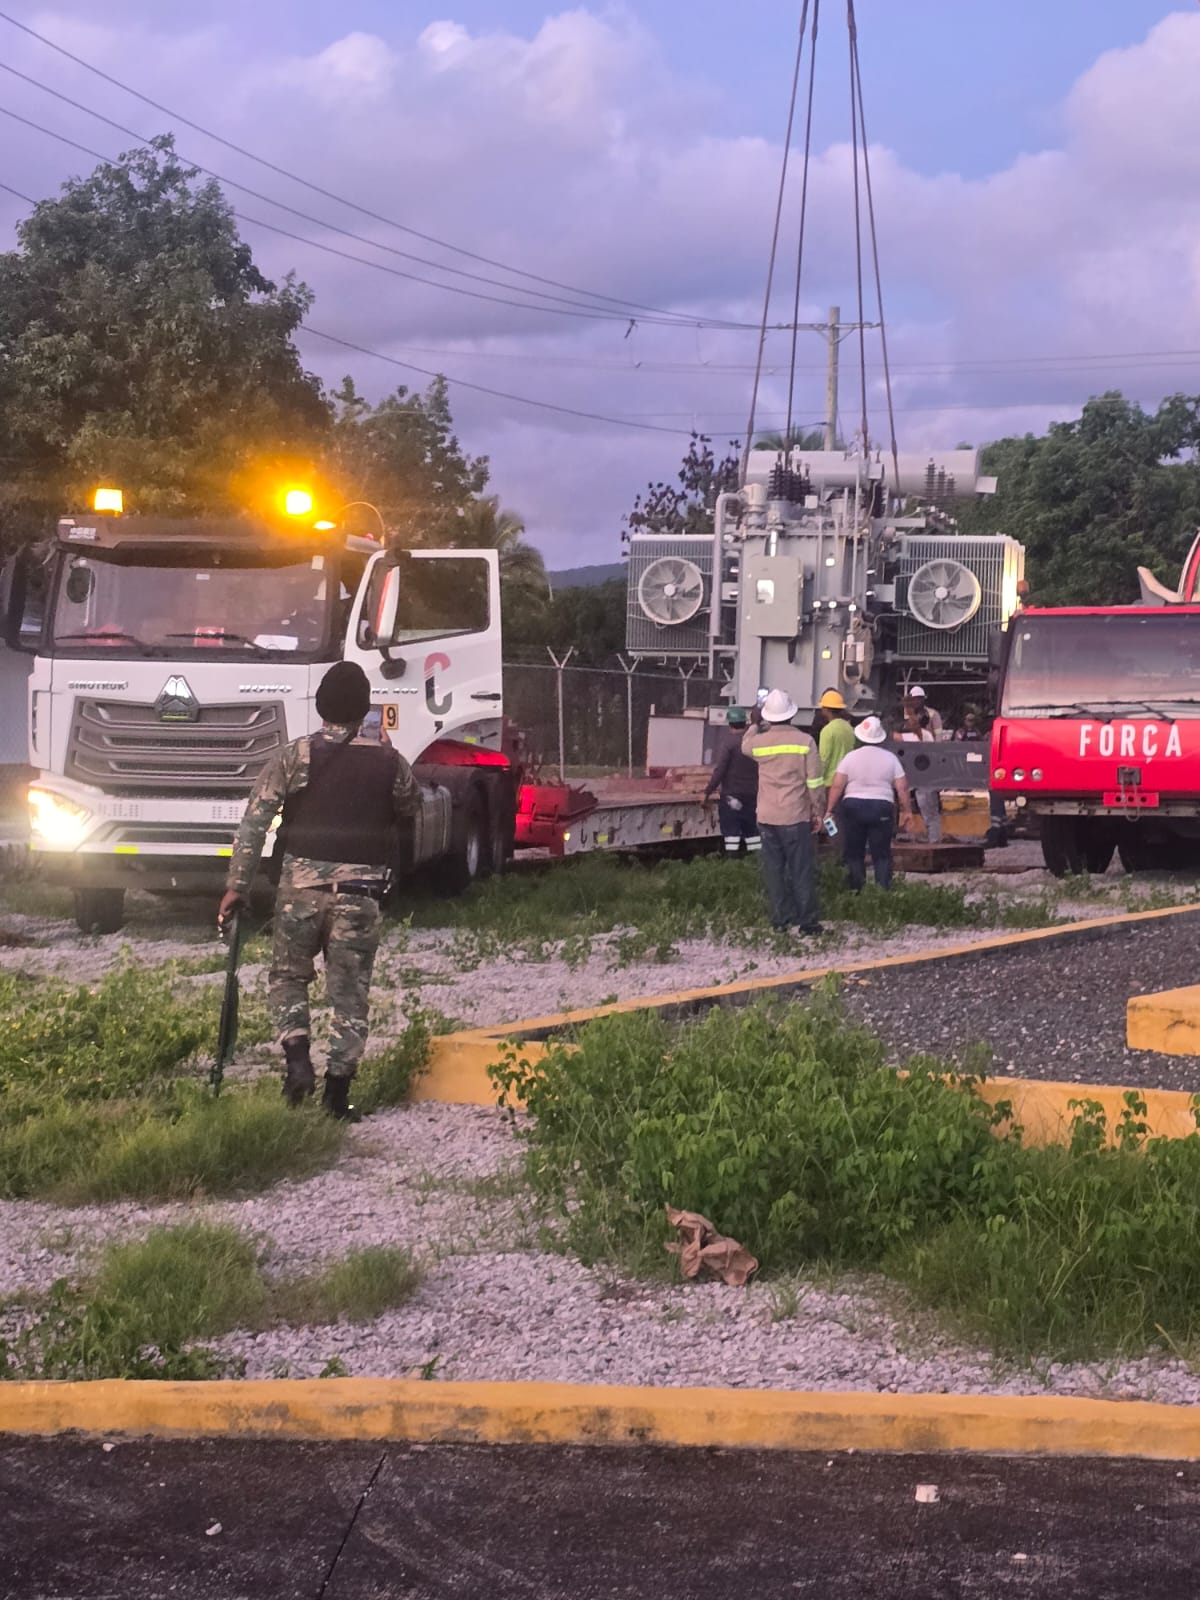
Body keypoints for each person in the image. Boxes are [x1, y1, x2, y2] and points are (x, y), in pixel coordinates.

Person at [218, 661, 420, 1118]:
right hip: (360, 895)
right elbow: (412, 805)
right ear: (366, 708)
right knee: (349, 996)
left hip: (300, 892)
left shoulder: (295, 756)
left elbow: (254, 824)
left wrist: (237, 886)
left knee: (288, 977)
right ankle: (336, 1096)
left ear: (319, 705)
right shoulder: (390, 762)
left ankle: (296, 1059)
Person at [741, 688, 826, 933]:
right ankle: (807, 923)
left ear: (768, 716)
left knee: (774, 871)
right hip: (795, 816)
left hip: (767, 816)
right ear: (792, 714)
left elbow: (745, 745)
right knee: (800, 870)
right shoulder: (805, 742)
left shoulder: (758, 743)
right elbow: (814, 783)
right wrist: (817, 812)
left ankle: (780, 920)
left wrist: (755, 724)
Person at [828, 716, 914, 890]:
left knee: (854, 852)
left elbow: (837, 785)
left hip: (853, 806)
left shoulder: (850, 757)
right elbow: (902, 788)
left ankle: (856, 891)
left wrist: (829, 810)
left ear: (860, 736)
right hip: (881, 806)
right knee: (881, 853)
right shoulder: (891, 759)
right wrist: (907, 811)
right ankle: (883, 892)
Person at [703, 707, 760, 856]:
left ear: (730, 724)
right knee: (752, 833)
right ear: (744, 723)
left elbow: (720, 771)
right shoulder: (754, 742)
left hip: (731, 796)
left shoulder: (728, 744)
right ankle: (755, 862)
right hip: (753, 795)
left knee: (732, 835)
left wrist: (708, 791)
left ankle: (732, 864)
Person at [900, 698, 942, 844]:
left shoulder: (922, 735)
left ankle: (934, 841)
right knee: (929, 813)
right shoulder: (923, 735)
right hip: (921, 782)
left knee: (930, 813)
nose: (908, 721)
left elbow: (896, 737)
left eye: (912, 718)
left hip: (925, 783)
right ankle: (933, 839)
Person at [816, 689, 857, 791]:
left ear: (827, 710)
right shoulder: (849, 728)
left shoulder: (827, 731)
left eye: (823, 707)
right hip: (847, 782)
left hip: (829, 783)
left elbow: (824, 759)